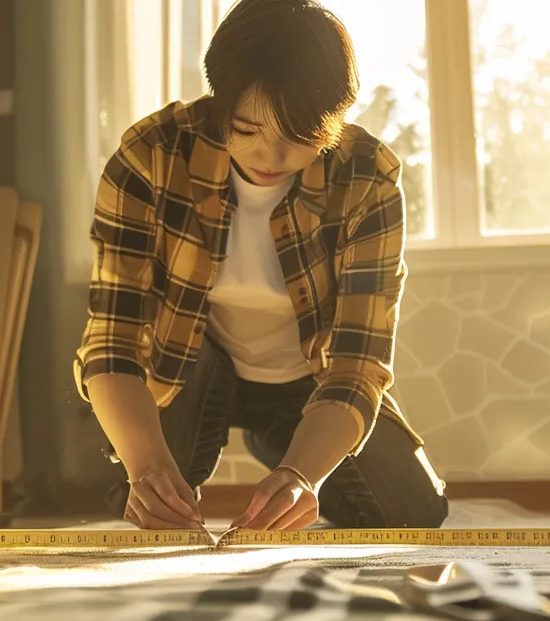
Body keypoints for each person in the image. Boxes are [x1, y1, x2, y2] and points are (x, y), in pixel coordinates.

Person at [74, 0, 448, 533]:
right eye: (246, 128)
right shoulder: (150, 155)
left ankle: (278, 439)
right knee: (142, 503)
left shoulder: (368, 177)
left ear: (333, 122)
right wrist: (147, 469)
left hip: (306, 380)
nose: (269, 156)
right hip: (181, 371)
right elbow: (113, 339)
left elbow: (356, 364)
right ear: (219, 102)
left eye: (298, 138)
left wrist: (302, 473)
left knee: (416, 513)